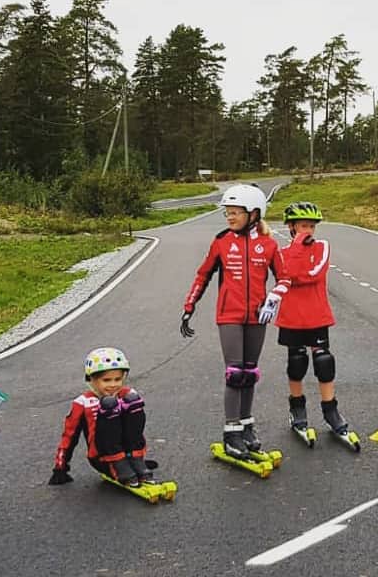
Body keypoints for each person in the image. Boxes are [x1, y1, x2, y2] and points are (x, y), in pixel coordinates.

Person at [180, 184, 289, 460]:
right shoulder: (221, 242)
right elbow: (203, 275)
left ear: (253, 214)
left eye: (234, 213)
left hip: (257, 316)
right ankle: (231, 433)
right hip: (229, 315)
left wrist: (273, 299)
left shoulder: (269, 245)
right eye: (227, 213)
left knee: (250, 372)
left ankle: (246, 426)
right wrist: (189, 306)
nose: (229, 218)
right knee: (235, 373)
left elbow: (285, 278)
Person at [275, 202, 355, 446]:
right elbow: (284, 275)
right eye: (302, 226)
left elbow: (315, 274)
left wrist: (294, 273)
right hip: (291, 316)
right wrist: (297, 250)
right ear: (291, 227)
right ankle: (298, 410)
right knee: (296, 362)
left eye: (311, 226)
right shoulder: (282, 252)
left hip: (316, 315)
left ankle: (331, 411)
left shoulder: (322, 247)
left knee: (324, 362)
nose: (308, 231)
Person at [48, 348, 155, 487]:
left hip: (130, 453)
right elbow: (69, 436)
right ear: (92, 380)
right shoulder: (83, 402)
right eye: (106, 380)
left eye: (118, 379)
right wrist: (60, 468)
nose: (113, 385)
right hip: (103, 457)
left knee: (132, 399)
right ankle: (119, 465)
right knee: (109, 404)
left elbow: (135, 429)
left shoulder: (126, 394)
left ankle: (136, 459)